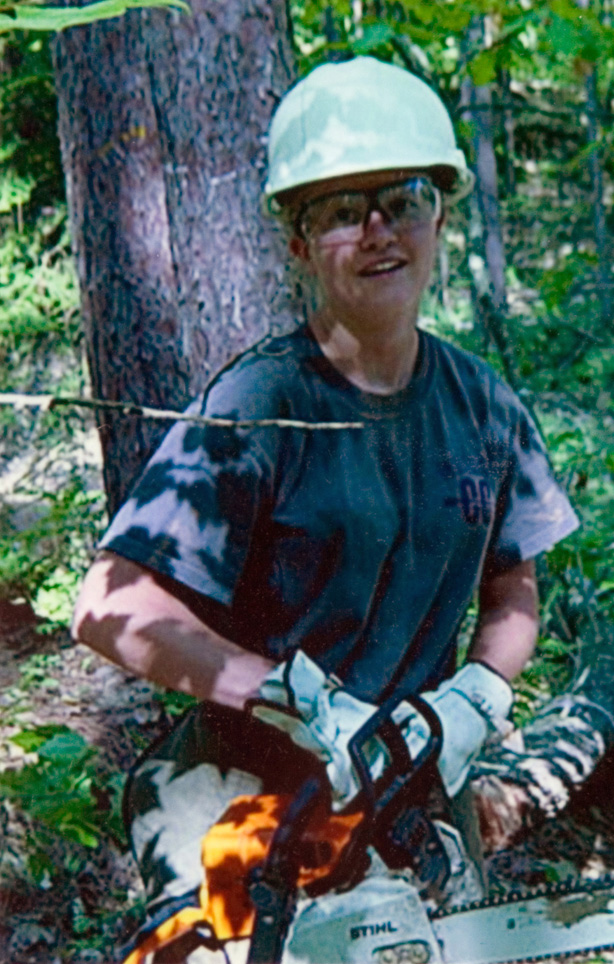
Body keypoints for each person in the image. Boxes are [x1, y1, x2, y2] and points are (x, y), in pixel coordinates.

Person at [71, 56, 579, 962]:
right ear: (298, 242)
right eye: (343, 211)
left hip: (407, 778)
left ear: (441, 214)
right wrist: (287, 691)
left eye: (403, 199)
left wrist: (475, 697)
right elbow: (108, 605)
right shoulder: (256, 406)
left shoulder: (484, 407)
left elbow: (512, 589)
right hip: (235, 776)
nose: (379, 230)